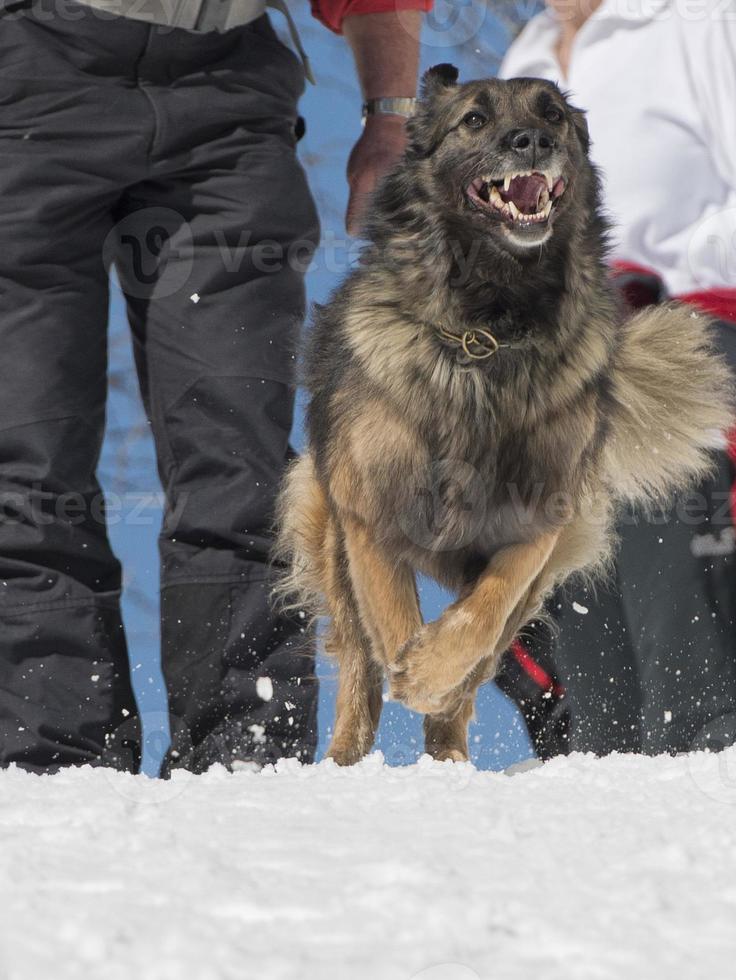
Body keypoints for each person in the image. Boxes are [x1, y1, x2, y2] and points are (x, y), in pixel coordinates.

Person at [0, 0, 425, 774]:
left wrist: (391, 116)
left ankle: (246, 751)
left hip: (226, 95)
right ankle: (53, 761)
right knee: (25, 455)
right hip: (29, 76)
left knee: (240, 455)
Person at [495, 0, 736, 757]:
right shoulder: (528, 58)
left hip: (690, 371)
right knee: (592, 725)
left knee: (691, 704)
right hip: (562, 394)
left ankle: (714, 848)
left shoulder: (712, 26)